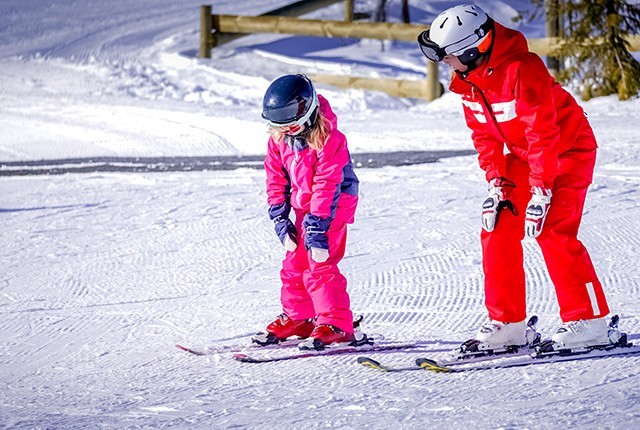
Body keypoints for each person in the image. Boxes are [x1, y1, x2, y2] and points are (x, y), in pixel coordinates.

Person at [417, 4, 622, 352]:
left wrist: (541, 191)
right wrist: (498, 181)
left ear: (472, 48)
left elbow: (543, 132)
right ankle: (508, 323)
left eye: (448, 56)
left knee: (553, 228)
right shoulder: (468, 80)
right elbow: (483, 135)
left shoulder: (523, 70)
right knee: (496, 225)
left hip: (567, 149)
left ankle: (590, 321)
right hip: (525, 156)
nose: (444, 64)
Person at [255, 74, 363, 350]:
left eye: (290, 119)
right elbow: (275, 177)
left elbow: (328, 184)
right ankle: (299, 318)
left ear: (306, 108)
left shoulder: (330, 139)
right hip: (306, 208)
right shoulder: (280, 139)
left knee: (320, 265)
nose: (287, 128)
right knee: (294, 263)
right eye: (279, 122)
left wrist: (317, 225)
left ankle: (336, 323)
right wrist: (280, 215)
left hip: (333, 207)